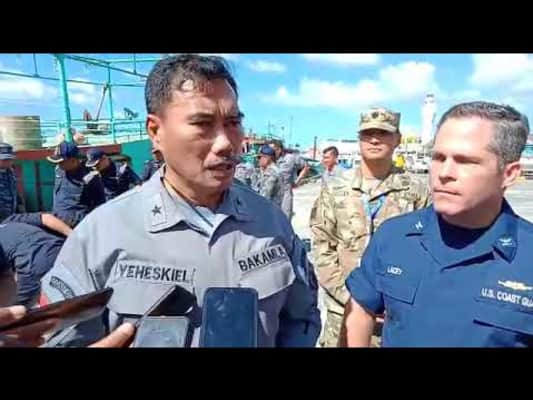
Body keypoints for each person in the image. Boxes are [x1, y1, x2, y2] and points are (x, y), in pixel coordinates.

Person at [41, 54, 321, 347]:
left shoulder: (271, 222)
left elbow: (302, 319)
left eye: (233, 122)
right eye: (203, 124)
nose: (226, 143)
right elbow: (60, 338)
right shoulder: (101, 234)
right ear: (155, 132)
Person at [341, 101, 533, 347]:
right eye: (439, 157)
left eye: (465, 161)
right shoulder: (394, 236)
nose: (444, 173)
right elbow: (359, 309)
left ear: (509, 174)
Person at [310, 107, 430, 347]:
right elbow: (322, 246)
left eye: (383, 133)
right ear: (359, 139)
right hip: (343, 313)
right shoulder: (335, 188)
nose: (374, 139)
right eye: (368, 133)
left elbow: (428, 252)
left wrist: (399, 300)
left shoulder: (416, 190)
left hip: (394, 317)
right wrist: (353, 297)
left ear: (397, 139)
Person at [0, 212, 73, 307]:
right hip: (60, 249)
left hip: (33, 269)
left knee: (12, 311)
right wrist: (73, 236)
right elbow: (46, 218)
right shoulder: (11, 220)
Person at [47, 141, 106, 227]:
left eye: (61, 162)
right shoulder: (59, 170)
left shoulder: (90, 177)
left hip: (78, 226)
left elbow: (100, 204)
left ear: (73, 160)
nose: (58, 165)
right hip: (57, 222)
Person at [268, 139, 310, 219]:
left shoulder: (290, 158)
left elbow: (306, 166)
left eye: (272, 150)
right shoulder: (269, 160)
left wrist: (297, 181)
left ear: (279, 149)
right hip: (271, 194)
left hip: (285, 195)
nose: (270, 152)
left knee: (285, 219)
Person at [0, 142, 25, 221]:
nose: (8, 162)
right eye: (4, 159)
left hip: (10, 217)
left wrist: (21, 209)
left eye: (9, 159)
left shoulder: (10, 172)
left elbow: (15, 192)